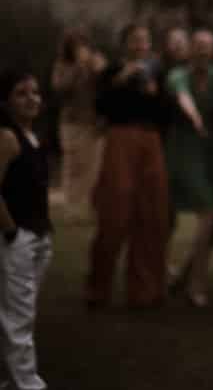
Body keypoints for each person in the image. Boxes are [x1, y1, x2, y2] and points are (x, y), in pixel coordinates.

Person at [87, 23, 170, 309]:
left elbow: (165, 114)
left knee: (151, 214)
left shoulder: (157, 72)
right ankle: (98, 288)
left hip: (151, 140)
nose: (140, 46)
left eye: (144, 41)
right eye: (134, 40)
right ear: (125, 44)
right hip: (120, 138)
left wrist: (155, 92)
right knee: (115, 211)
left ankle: (144, 291)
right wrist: (121, 79)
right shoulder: (111, 72)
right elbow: (100, 107)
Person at [163, 29, 213, 307]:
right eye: (198, 46)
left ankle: (184, 275)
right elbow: (182, 96)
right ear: (190, 49)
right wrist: (194, 116)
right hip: (184, 151)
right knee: (206, 212)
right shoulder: (178, 75)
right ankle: (195, 283)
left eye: (208, 47)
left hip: (211, 155)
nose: (203, 51)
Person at [0, 71, 53, 390]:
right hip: (18, 237)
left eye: (35, 92)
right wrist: (11, 234)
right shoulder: (6, 138)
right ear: (6, 101)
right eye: (21, 93)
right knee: (19, 316)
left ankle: (7, 377)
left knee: (16, 310)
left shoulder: (36, 136)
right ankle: (28, 383)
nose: (31, 98)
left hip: (39, 236)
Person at [50, 29, 106, 222]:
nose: (82, 50)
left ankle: (91, 209)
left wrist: (99, 70)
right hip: (72, 123)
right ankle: (71, 209)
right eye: (77, 47)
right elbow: (59, 88)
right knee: (74, 166)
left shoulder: (96, 63)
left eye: (84, 45)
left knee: (94, 167)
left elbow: (107, 86)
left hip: (95, 124)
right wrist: (77, 69)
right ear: (69, 49)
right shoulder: (63, 66)